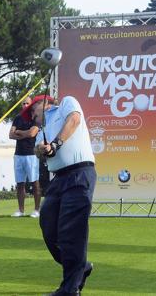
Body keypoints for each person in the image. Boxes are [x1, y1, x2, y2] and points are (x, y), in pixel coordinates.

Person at [23, 95, 96, 295]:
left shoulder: (67, 103)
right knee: (48, 227)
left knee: (71, 232)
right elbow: (39, 149)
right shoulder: (41, 131)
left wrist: (54, 144)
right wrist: (42, 149)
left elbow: (74, 120)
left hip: (79, 173)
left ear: (43, 104)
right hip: (59, 179)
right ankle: (81, 267)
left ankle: (69, 290)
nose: (31, 117)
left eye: (32, 111)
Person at [9, 97, 41, 218]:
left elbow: (33, 133)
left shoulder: (37, 117)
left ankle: (37, 210)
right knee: (20, 183)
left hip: (32, 154)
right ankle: (21, 210)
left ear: (31, 104)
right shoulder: (18, 118)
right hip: (18, 155)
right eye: (23, 103)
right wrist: (26, 133)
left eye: (27, 103)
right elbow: (11, 134)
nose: (25, 105)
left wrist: (20, 132)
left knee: (35, 182)